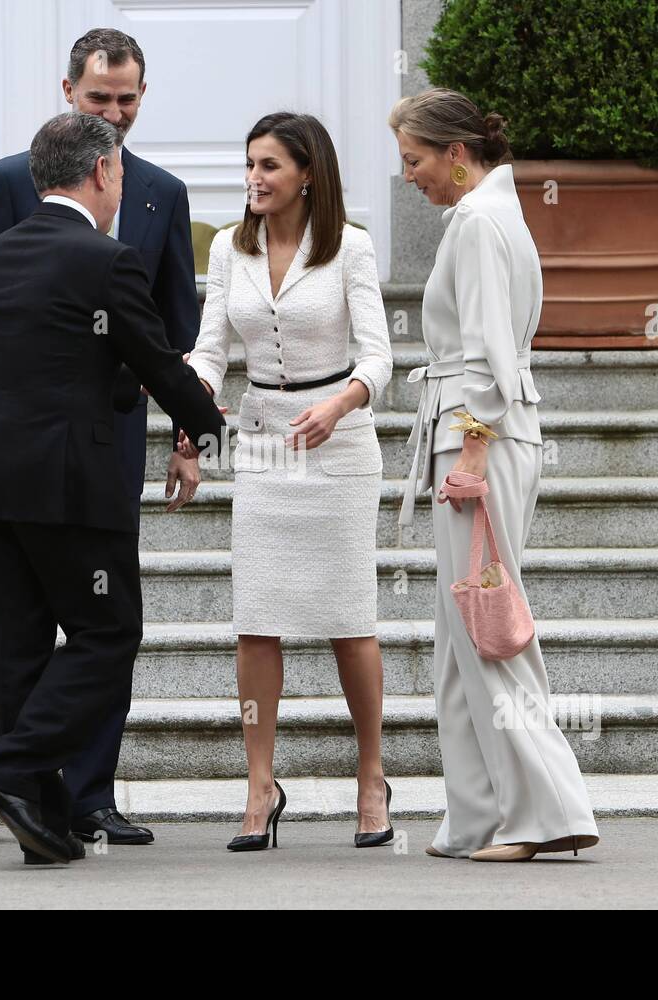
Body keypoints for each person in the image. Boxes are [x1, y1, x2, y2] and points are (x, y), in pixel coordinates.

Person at [0, 111, 227, 866]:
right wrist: (207, 427)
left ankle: (43, 821)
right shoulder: (107, 260)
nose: (122, 186)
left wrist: (119, 383)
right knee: (107, 635)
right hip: (68, 482)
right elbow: (160, 360)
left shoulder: (3, 251)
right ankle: (1, 774)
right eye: (121, 176)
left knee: (18, 649)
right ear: (101, 172)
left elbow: (40, 356)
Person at [389, 89, 600, 861]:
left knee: (486, 633)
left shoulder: (478, 221)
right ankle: (480, 812)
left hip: (477, 438)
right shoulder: (489, 216)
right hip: (479, 435)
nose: (407, 175)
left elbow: (485, 352)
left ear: (455, 153)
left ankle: (543, 813)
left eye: (413, 159)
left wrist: (471, 454)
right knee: (458, 639)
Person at [184, 112, 395, 851]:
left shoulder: (351, 250)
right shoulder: (226, 247)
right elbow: (210, 349)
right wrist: (192, 399)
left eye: (269, 166)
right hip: (264, 440)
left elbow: (379, 359)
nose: (254, 179)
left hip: (339, 445)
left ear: (308, 174)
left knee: (350, 619)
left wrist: (338, 405)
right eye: (249, 164)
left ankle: (372, 776)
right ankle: (259, 784)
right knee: (256, 618)